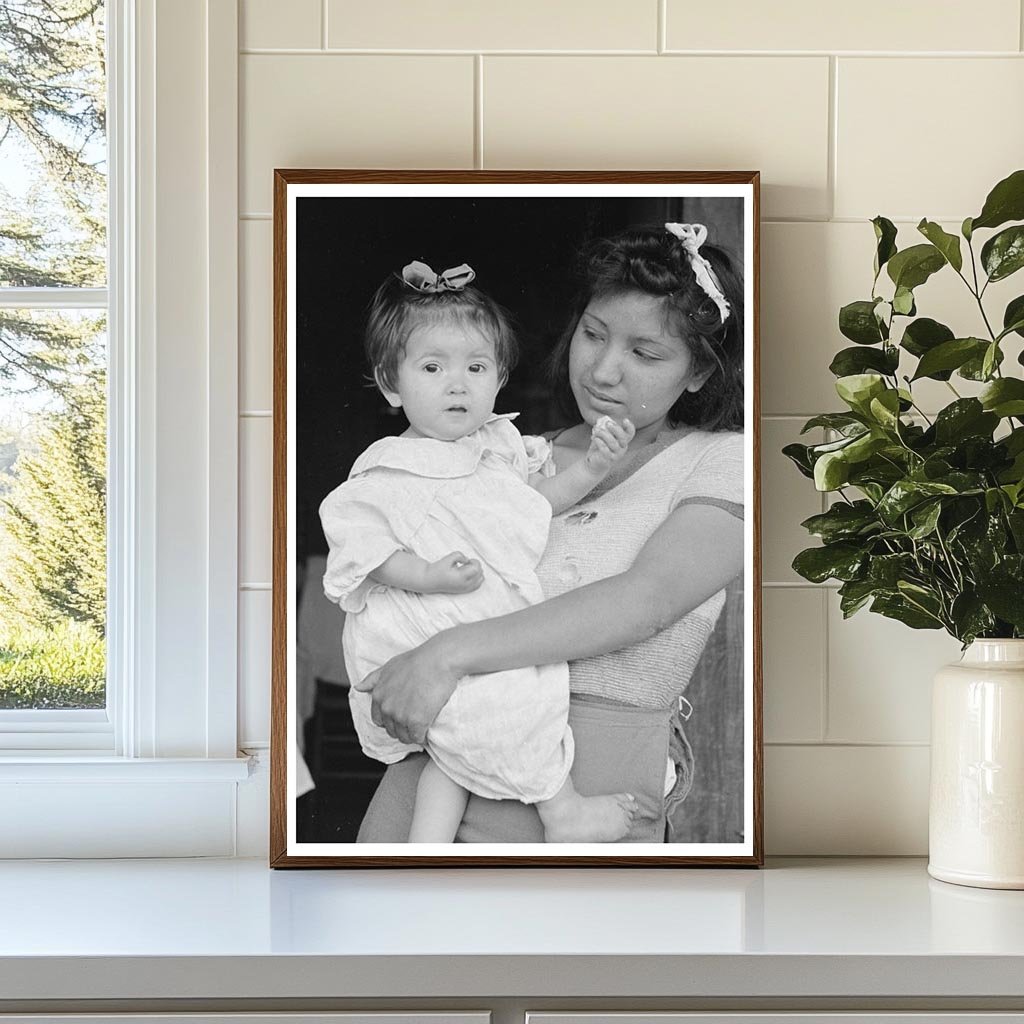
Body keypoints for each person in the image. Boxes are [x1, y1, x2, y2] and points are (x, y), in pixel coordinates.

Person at [354, 221, 746, 844]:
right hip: (433, 777)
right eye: (593, 334)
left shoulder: (721, 462)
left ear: (698, 373)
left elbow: (643, 603)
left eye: (645, 354)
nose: (604, 370)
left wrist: (443, 655)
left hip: (587, 793)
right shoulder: (505, 456)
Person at [319, 259, 641, 843]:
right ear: (392, 383)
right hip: (419, 624)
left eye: (476, 367)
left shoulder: (500, 451)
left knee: (461, 743)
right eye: (433, 367)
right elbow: (361, 546)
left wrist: (596, 464)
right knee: (506, 702)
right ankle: (562, 808)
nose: (457, 383)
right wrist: (424, 573)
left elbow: (539, 501)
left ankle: (427, 848)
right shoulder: (388, 469)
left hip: (476, 622)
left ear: (498, 379)